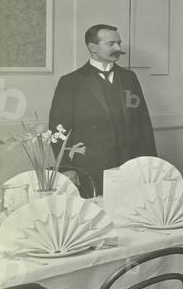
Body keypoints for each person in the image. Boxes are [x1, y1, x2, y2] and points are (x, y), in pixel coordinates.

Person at [48, 24, 156, 193]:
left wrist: (151, 162)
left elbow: (143, 123)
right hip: (91, 169)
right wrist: (67, 169)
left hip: (132, 167)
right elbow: (58, 128)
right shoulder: (71, 82)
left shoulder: (129, 78)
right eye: (111, 44)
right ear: (93, 47)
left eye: (119, 43)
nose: (118, 48)